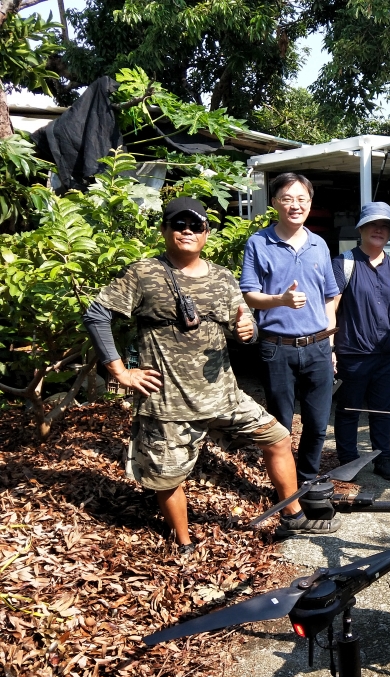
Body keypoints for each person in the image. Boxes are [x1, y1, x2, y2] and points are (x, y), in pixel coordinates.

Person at [82, 198, 335, 558]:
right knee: (168, 476)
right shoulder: (144, 273)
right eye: (178, 224)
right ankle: (183, 543)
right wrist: (119, 370)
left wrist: (247, 331)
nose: (187, 231)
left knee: (278, 437)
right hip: (169, 402)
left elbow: (244, 325)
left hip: (224, 396)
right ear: (164, 230)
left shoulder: (221, 277)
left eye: (195, 226)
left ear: (206, 233)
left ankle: (292, 515)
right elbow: (97, 314)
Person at [240, 173, 339, 486]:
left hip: (318, 348)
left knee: (318, 425)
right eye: (287, 198)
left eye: (302, 199)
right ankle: (284, 492)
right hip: (277, 347)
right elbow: (249, 294)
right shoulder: (259, 243)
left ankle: (307, 484)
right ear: (275, 203)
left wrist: (330, 344)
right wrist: (279, 300)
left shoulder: (319, 245)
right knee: (280, 427)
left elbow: (330, 296)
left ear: (310, 203)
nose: (295, 205)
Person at [331, 202, 390, 480]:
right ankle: (348, 462)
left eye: (384, 226)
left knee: (382, 410)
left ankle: (383, 459)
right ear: (361, 228)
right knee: (349, 410)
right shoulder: (344, 263)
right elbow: (331, 307)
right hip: (353, 352)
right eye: (373, 224)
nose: (378, 230)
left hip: (388, 353)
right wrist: (330, 347)